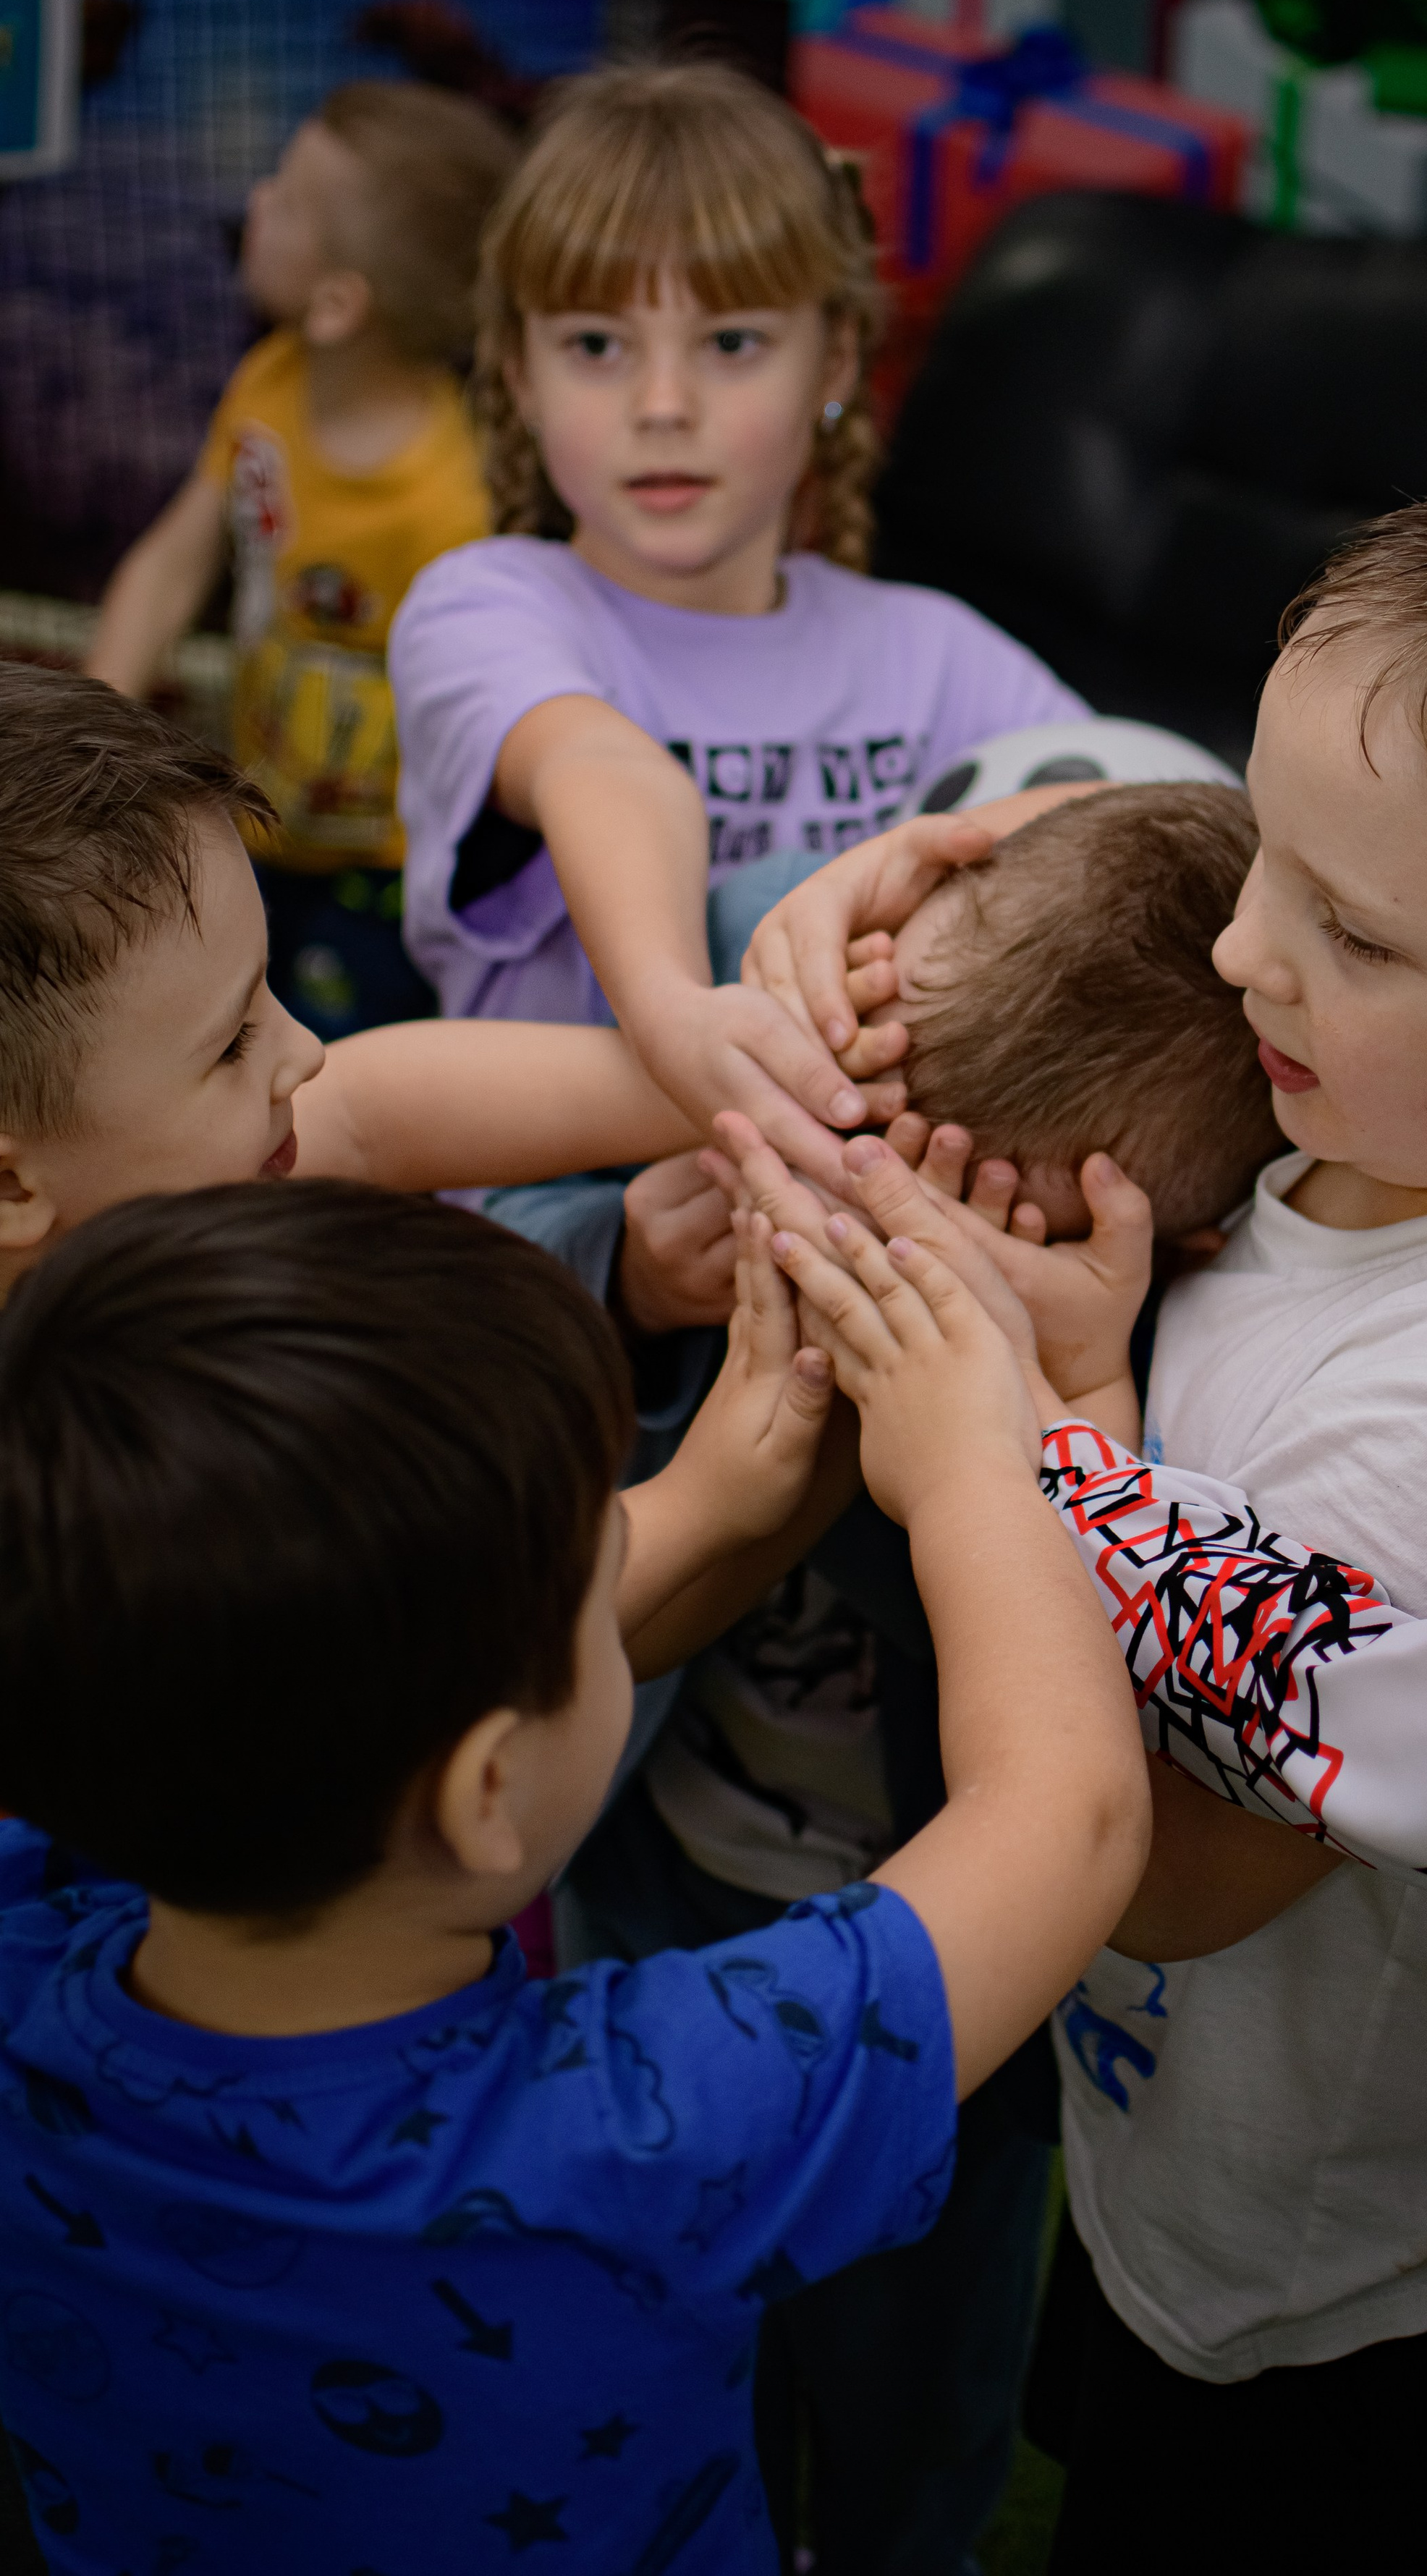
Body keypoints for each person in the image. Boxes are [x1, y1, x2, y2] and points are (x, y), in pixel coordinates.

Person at [729, 433, 1427, 2572]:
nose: (1243, 950)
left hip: (1332, 2271)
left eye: (1340, 925)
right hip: (1198, 2149)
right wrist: (983, 852)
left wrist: (1047, 1425)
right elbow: (1248, 844)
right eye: (1263, 852)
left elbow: (1164, 1881)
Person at [0, 1174, 1147, 2576]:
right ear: (486, 1792)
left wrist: (709, 1495)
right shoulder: (641, 2131)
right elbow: (1068, 1815)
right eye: (606, 1576)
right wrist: (974, 1469)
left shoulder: (24, 1964)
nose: (630, 1578)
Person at [520, 781, 1276, 2574]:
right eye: (853, 1159)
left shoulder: (1179, 1369)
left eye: (947, 1228)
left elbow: (1076, 1710)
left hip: (950, 1989)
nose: (860, 1241)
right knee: (650, 2329)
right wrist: (629, 1272)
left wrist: (955, 1420)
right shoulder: (776, 1001)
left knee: (909, 2397)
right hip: (651, 1864)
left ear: (1154, 1255)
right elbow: (482, 1248)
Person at [386, 58, 1088, 1187]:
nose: (664, 406)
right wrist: (676, 1021)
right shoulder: (487, 608)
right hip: (539, 1243)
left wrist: (908, 864)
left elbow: (1145, 802)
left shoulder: (930, 650)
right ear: (518, 373)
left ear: (836, 363)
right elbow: (601, 766)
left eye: (730, 344)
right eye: (597, 346)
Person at [0, 663, 727, 1286]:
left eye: (267, 991)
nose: (309, 1051)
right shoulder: (74, 1434)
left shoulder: (165, 1167)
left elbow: (368, 1111)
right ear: (11, 1185)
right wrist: (729, 1458)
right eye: (229, 1046)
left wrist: (723, 1078)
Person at [87, 81, 516, 1039]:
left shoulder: (451, 505)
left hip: (389, 876)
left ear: (338, 302)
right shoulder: (269, 382)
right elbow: (171, 562)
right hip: (259, 822)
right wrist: (92, 726)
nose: (258, 201)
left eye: (286, 195)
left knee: (341, 1068)